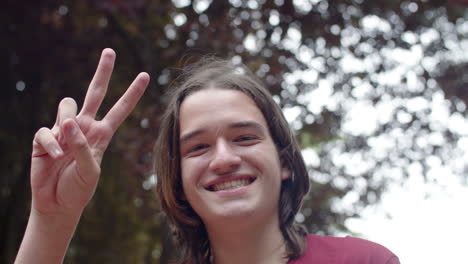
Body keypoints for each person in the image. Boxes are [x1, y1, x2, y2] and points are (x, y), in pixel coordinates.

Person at [15, 49, 399, 264]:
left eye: (244, 138)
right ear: (178, 179)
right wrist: (53, 218)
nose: (223, 159)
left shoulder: (364, 262)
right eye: (197, 147)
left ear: (284, 161)